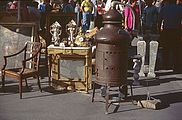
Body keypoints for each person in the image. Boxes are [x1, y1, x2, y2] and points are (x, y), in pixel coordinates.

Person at [158, 0, 182, 73]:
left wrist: (159, 30)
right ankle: (176, 65)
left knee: (166, 48)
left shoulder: (164, 8)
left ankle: (165, 64)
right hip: (176, 30)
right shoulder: (179, 8)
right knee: (176, 50)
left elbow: (159, 20)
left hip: (166, 30)